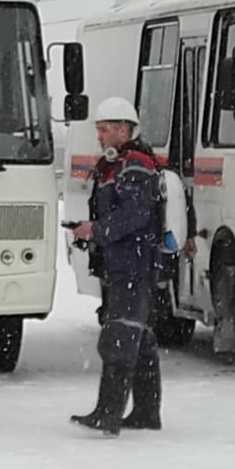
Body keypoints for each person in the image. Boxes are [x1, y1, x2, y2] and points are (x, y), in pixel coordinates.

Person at [70, 97, 164, 436]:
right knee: (140, 337)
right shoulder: (122, 163)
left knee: (121, 336)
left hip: (131, 263)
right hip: (129, 261)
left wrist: (96, 230)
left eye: (106, 129)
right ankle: (145, 412)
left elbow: (135, 215)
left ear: (125, 129)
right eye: (98, 129)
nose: (100, 136)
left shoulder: (133, 165)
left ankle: (108, 414)